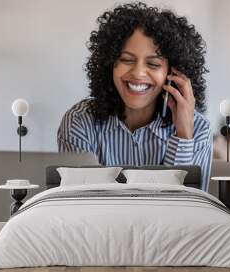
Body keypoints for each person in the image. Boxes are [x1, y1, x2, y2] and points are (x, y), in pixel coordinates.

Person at [57, 2, 212, 192]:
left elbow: (190, 210)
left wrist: (184, 137)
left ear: (173, 73)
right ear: (110, 64)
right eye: (127, 60)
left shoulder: (200, 130)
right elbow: (80, 204)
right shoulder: (80, 122)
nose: (138, 73)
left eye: (153, 64)